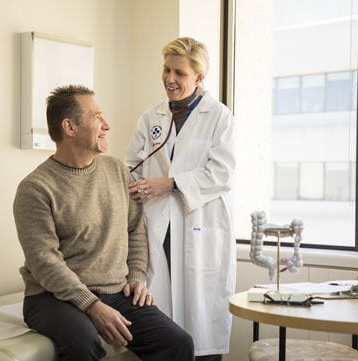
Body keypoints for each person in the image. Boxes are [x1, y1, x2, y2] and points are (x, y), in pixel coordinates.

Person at [13, 84, 194, 361]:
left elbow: (135, 229)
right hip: (52, 298)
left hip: (116, 291)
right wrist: (93, 306)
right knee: (84, 342)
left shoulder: (117, 171)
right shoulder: (35, 188)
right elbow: (44, 262)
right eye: (97, 117)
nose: (107, 125)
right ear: (70, 127)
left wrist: (136, 277)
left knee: (178, 343)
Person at [125, 37, 236, 360]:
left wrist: (169, 184)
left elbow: (222, 173)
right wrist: (134, 186)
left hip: (199, 224)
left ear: (199, 78)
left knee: (201, 326)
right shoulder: (151, 117)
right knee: (163, 324)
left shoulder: (219, 117)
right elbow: (130, 165)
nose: (170, 79)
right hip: (158, 225)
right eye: (166, 69)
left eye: (180, 73)